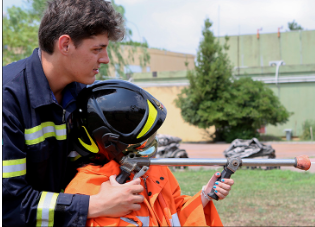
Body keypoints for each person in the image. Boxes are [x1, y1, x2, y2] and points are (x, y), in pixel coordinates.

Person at [3, 0, 144, 226]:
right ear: (65, 45)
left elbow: (88, 169)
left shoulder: (83, 97)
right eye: (97, 49)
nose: (105, 59)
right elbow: (9, 205)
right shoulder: (7, 99)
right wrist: (94, 205)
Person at [64, 80, 234, 226]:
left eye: (153, 135)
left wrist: (204, 195)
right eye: (144, 139)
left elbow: (173, 214)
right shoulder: (86, 193)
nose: (151, 144)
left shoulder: (154, 169)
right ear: (111, 144)